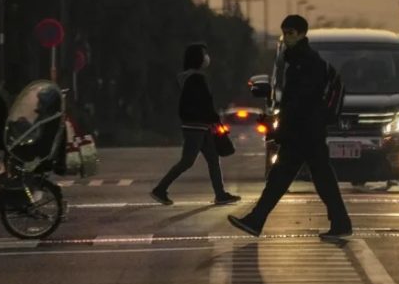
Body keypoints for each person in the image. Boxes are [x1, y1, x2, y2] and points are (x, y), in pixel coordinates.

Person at [228, 15, 352, 241]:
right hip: (306, 131)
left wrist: (281, 127)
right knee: (319, 178)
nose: (286, 38)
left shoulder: (307, 62)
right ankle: (341, 222)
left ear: (303, 34)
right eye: (284, 33)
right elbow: (293, 101)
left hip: (303, 131)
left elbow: (300, 101)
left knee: (282, 178)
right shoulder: (294, 61)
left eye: (291, 33)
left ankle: (256, 220)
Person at [150, 43, 241, 206]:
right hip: (196, 126)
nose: (206, 57)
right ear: (197, 58)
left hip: (200, 125)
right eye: (203, 54)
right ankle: (160, 189)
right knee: (187, 161)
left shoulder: (186, 77)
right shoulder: (196, 78)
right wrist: (214, 118)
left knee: (213, 159)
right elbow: (203, 102)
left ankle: (220, 194)